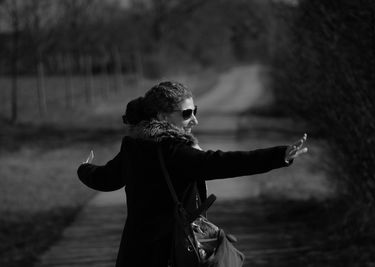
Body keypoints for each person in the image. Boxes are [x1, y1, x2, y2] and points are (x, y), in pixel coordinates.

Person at [77, 81, 308, 267]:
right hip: (174, 253)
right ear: (162, 116)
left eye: (194, 111)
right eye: (187, 113)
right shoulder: (176, 152)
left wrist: (84, 168)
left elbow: (106, 179)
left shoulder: (133, 148)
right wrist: (279, 156)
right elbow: (225, 163)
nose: (195, 120)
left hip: (134, 254)